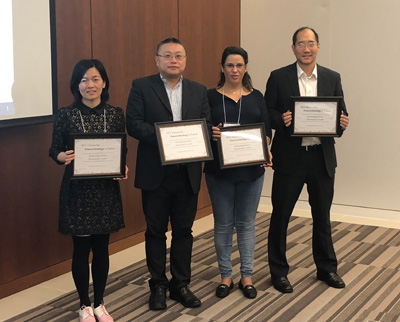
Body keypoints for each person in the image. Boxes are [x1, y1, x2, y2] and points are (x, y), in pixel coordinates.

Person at [126, 38, 211, 310]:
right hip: (155, 174)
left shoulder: (199, 91)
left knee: (184, 231)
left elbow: (206, 126)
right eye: (167, 56)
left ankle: (181, 284)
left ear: (185, 60)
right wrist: (167, 137)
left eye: (178, 56)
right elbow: (134, 125)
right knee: (155, 232)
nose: (173, 60)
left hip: (187, 173)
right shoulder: (141, 86)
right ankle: (158, 286)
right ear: (157, 60)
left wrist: (196, 136)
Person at [264, 27, 350, 293]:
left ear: (318, 46)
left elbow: (340, 112)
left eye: (310, 43)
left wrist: (343, 122)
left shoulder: (331, 77)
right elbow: (267, 112)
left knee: (322, 217)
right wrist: (281, 120)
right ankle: (278, 272)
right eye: (300, 44)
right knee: (280, 217)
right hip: (290, 159)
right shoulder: (278, 77)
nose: (306, 48)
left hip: (321, 159)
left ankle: (327, 269)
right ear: (293, 48)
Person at [49, 59, 127, 322]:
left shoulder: (115, 113)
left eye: (95, 79)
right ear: (76, 85)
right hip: (77, 191)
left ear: (104, 82)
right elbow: (54, 149)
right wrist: (62, 156)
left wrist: (122, 167)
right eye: (83, 80)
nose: (89, 85)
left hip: (105, 190)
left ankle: (100, 304)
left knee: (102, 248)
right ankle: (83, 305)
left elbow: (121, 149)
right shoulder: (65, 114)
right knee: (81, 249)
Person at [205, 46, 272, 299]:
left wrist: (266, 146)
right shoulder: (210, 96)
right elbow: (202, 127)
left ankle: (246, 275)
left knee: (246, 224)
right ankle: (225, 275)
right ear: (222, 68)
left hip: (252, 170)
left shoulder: (257, 96)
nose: (235, 70)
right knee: (223, 225)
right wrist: (210, 132)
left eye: (239, 65)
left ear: (245, 68)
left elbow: (267, 130)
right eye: (230, 65)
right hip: (218, 171)